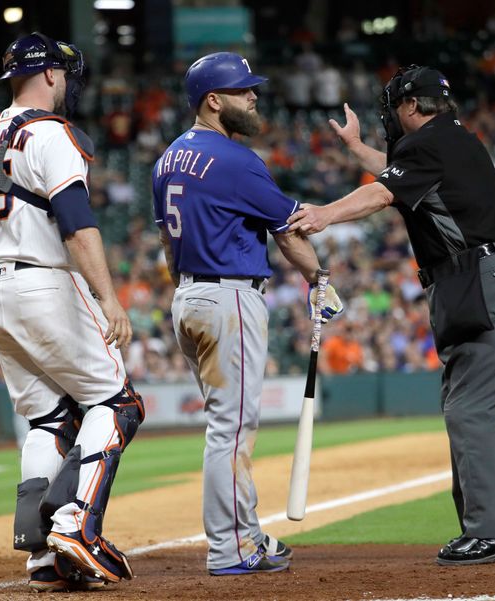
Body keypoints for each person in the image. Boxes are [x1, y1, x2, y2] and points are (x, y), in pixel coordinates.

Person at [289, 65, 495, 566]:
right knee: (463, 405)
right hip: (477, 276)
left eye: (394, 107)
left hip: (481, 277)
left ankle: (493, 532)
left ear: (409, 106)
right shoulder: (450, 139)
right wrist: (358, 151)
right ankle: (483, 529)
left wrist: (324, 214)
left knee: (469, 408)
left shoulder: (429, 144)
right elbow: (398, 178)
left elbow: (385, 192)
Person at [0, 32, 145, 592]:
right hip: (42, 281)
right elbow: (77, 224)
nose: (67, 85)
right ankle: (75, 528)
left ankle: (42, 554)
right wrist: (109, 297)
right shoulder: (51, 134)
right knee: (118, 403)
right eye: (64, 75)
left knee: (49, 420)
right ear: (48, 75)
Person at [152, 52, 343, 576]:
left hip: (189, 295)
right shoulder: (234, 160)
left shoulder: (167, 158)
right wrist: (319, 280)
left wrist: (189, 292)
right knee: (232, 430)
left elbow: (168, 243)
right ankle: (233, 548)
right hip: (228, 297)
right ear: (214, 101)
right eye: (243, 91)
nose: (254, 97)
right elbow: (288, 230)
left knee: (226, 425)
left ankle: (246, 533)